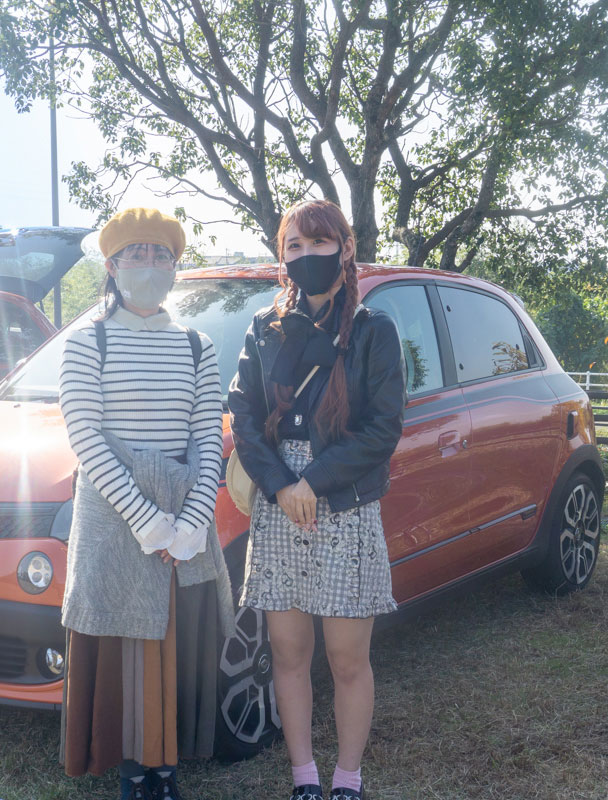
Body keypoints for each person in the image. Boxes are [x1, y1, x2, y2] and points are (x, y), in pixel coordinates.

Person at [228, 199, 405, 800]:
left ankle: (347, 780)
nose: (306, 255)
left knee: (347, 657)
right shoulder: (265, 326)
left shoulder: (375, 331)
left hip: (344, 501)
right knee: (288, 652)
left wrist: (315, 480)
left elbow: (383, 428)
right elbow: (244, 413)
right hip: (280, 502)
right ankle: (303, 777)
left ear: (345, 249)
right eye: (294, 246)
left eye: (318, 242)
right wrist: (282, 483)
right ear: (282, 256)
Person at [58, 208, 234, 800]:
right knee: (125, 646)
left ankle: (167, 769)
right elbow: (85, 438)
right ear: (111, 266)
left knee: (173, 647)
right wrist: (149, 523)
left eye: (162, 255)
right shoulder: (88, 340)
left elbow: (206, 436)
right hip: (115, 519)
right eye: (136, 253)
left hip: (183, 518)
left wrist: (191, 522)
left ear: (176, 267)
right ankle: (135, 774)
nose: (150, 264)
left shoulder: (197, 346)